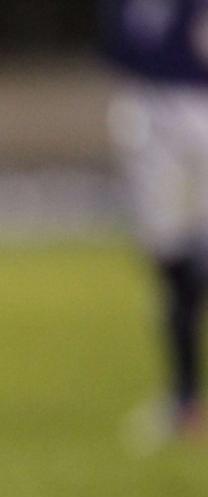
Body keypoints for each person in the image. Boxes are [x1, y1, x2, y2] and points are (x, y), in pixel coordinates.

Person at [102, 0, 208, 441]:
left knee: (182, 261)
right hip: (151, 113)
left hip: (191, 114)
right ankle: (185, 401)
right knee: (171, 262)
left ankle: (185, 401)